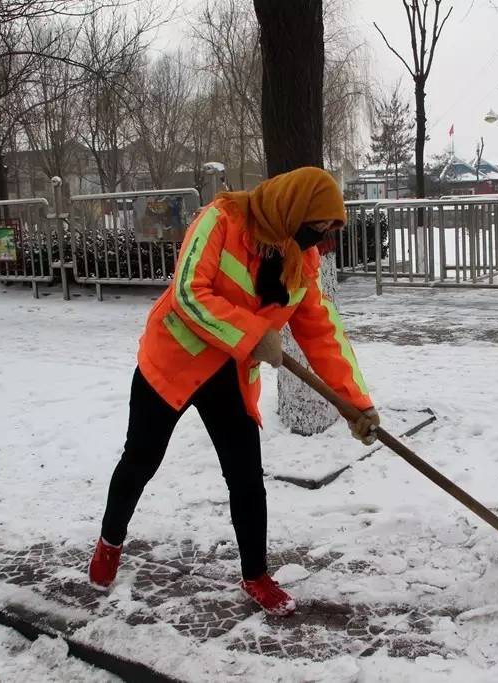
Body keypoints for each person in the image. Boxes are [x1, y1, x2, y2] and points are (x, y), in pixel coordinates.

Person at [89, 167, 380, 617]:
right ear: (294, 210)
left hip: (231, 376)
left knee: (246, 477)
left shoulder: (300, 263)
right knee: (141, 459)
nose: (321, 240)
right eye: (319, 228)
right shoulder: (221, 220)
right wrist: (253, 333)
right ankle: (110, 541)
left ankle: (257, 574)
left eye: (327, 232)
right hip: (173, 363)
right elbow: (188, 291)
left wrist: (357, 404)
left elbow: (323, 334)